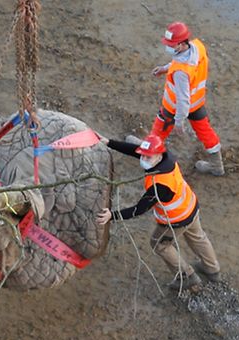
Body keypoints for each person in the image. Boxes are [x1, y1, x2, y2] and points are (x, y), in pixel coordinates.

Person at [96, 134, 221, 292]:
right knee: (198, 236)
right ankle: (212, 270)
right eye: (144, 155)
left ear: (158, 155)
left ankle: (187, 276)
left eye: (148, 157)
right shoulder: (166, 157)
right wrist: (109, 142)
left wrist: (112, 216)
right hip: (191, 207)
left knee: (159, 244)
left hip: (176, 219)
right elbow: (136, 151)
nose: (144, 159)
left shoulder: (159, 184)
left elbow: (139, 209)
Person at [150, 22, 225, 176]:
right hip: (197, 102)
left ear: (182, 44)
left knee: (158, 132)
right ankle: (217, 165)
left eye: (171, 44)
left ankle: (149, 152)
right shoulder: (197, 47)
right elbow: (180, 60)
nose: (168, 47)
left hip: (173, 108)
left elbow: (183, 100)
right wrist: (165, 69)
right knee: (205, 131)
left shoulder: (180, 73)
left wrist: (179, 121)